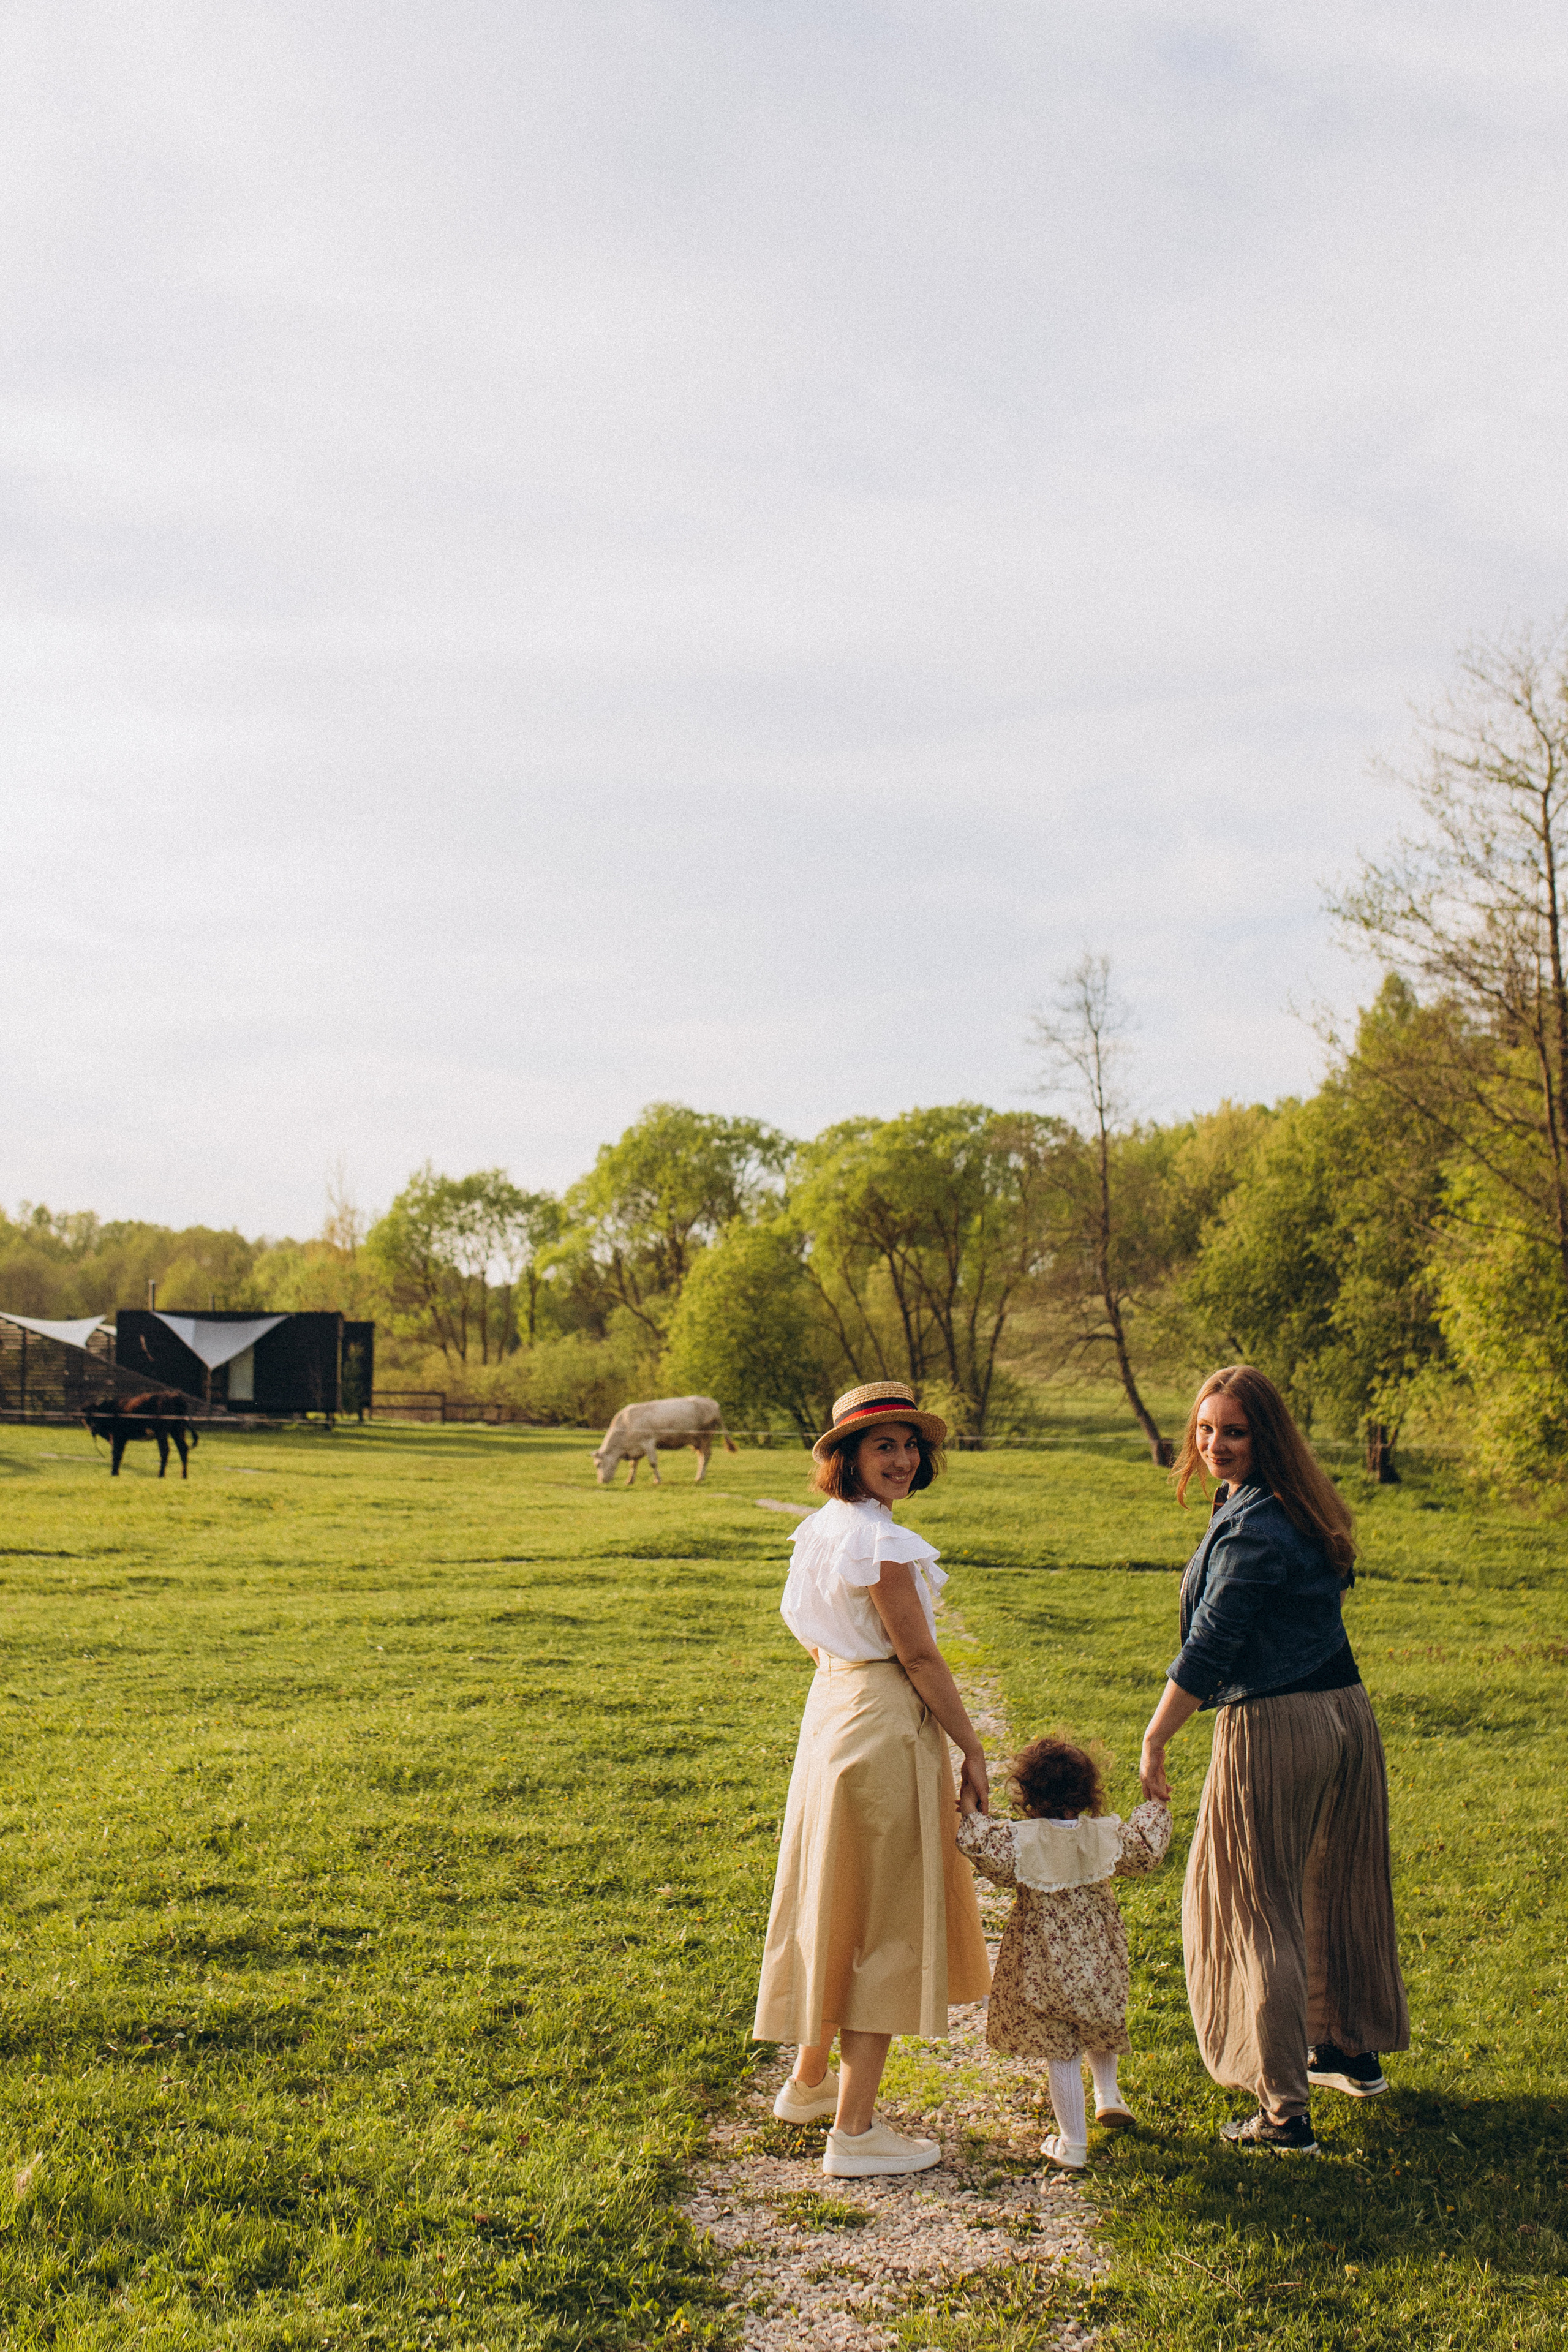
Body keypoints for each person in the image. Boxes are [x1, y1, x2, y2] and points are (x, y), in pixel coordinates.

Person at [1140, 1365, 1409, 2154]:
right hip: (1344, 1714)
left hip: (1276, 1722)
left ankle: (1283, 2113)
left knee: (1257, 1909)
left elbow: (1211, 1643)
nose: (1214, 1445)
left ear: (1267, 1436)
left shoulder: (1258, 1525)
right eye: (1204, 1429)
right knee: (1333, 1883)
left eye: (1233, 1431)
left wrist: (1157, 1737)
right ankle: (1344, 2050)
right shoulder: (1296, 1503)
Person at [753, 1381, 992, 2178]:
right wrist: (974, 1748)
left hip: (834, 1712)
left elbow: (802, 1627)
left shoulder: (827, 1531)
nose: (902, 1459)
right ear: (847, 1457)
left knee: (837, 1893)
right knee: (885, 1913)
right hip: (881, 1722)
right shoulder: (879, 1543)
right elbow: (920, 1656)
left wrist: (846, 1672)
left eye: (910, 1444)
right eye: (882, 1445)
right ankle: (855, 2132)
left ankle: (811, 2082)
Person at [957, 1735, 1170, 2169]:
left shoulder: (1023, 1841)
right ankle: (1108, 2094)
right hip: (1100, 1957)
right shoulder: (1105, 1834)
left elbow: (979, 1844)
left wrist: (968, 1807)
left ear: (1027, 1795)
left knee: (1063, 2050)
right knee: (1099, 2020)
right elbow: (1147, 1849)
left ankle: (1073, 2143)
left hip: (1046, 1964)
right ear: (1089, 1790)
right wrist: (1155, 1804)